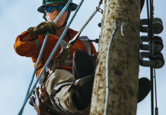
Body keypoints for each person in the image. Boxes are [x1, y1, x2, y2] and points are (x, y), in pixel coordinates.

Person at [14, 0, 151, 115]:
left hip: (86, 90)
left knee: (103, 65)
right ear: (45, 13)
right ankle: (79, 95)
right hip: (57, 89)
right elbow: (20, 47)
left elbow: (98, 63)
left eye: (61, 8)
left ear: (68, 11)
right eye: (50, 8)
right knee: (59, 77)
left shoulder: (83, 42)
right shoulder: (41, 38)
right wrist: (34, 32)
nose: (56, 12)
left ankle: (120, 89)